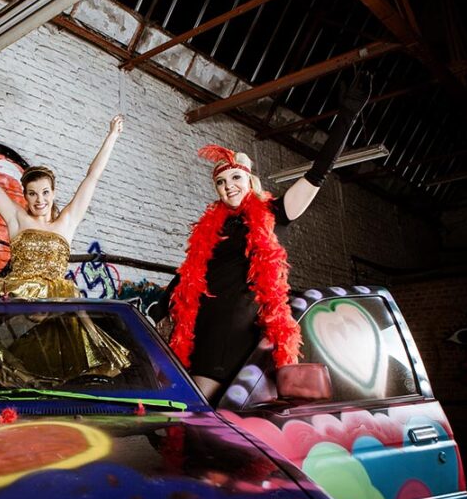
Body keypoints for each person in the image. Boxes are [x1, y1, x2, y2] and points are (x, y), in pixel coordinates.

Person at [155, 73, 371, 401]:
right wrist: (156, 309)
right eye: (221, 182)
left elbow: (317, 174)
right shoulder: (212, 228)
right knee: (201, 412)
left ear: (250, 180)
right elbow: (190, 275)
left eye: (235, 178)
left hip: (235, 328)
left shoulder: (273, 214)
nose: (228, 186)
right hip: (202, 327)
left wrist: (348, 117)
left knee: (196, 407)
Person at [0, 115, 124, 299]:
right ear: (26, 196)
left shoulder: (67, 222)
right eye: (32, 193)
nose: (40, 200)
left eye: (45, 192)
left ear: (53, 193)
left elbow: (92, 176)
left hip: (56, 304)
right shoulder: (17, 218)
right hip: (18, 301)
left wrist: (112, 135)